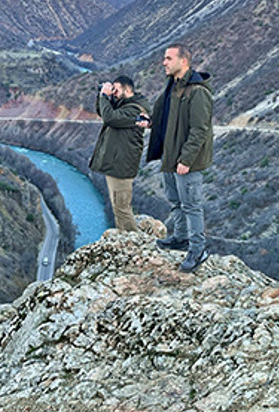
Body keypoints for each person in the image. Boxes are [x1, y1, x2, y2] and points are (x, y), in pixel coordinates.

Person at [142, 44, 213, 273]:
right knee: (175, 200)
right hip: (170, 155)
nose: (164, 62)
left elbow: (200, 129)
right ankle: (181, 238)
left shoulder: (197, 92)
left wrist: (187, 159)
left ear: (183, 61)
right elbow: (168, 119)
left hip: (184, 160)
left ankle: (198, 249)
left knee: (191, 205)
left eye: (168, 58)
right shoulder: (172, 87)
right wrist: (151, 122)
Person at [89, 75, 149, 233]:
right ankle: (124, 236)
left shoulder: (135, 109)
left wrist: (105, 96)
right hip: (117, 162)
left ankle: (132, 239)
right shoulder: (125, 105)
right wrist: (102, 96)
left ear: (127, 89)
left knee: (122, 207)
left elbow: (110, 118)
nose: (114, 93)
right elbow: (103, 113)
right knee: (118, 206)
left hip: (121, 165)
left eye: (116, 89)